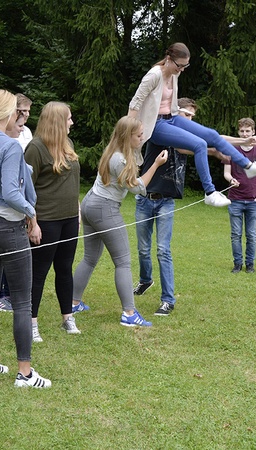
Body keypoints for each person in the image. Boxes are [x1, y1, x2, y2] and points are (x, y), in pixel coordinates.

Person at [0, 89, 51, 388]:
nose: (20, 117)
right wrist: (32, 214)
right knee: (22, 301)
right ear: (8, 113)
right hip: (6, 227)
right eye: (17, 111)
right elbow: (10, 193)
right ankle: (25, 373)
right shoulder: (11, 145)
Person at [127, 42, 256, 207]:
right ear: (168, 58)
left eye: (185, 66)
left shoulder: (174, 74)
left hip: (171, 117)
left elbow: (170, 103)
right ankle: (210, 193)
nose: (181, 69)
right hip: (155, 124)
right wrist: (129, 131)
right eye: (179, 65)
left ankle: (248, 166)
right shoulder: (154, 75)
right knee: (200, 144)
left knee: (212, 135)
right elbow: (135, 103)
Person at [133, 97, 241, 317]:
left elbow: (203, 142)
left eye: (193, 117)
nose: (190, 120)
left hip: (166, 201)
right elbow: (186, 147)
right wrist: (224, 147)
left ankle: (167, 300)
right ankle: (146, 280)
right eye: (187, 115)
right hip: (145, 199)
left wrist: (235, 144)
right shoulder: (159, 130)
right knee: (144, 249)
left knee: (163, 250)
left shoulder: (185, 137)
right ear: (175, 112)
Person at [72, 116, 168, 328]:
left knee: (89, 258)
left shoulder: (115, 150)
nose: (143, 138)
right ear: (127, 136)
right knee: (123, 262)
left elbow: (136, 162)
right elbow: (137, 187)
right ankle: (129, 313)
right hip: (104, 208)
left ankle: (73, 302)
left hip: (91, 203)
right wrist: (156, 164)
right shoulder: (119, 160)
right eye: (139, 135)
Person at [24, 101, 81, 341]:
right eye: (68, 118)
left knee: (65, 269)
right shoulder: (35, 148)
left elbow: (73, 182)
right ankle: (31, 322)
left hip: (69, 219)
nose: (72, 122)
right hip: (45, 220)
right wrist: (32, 223)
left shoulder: (68, 144)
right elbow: (25, 188)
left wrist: (77, 208)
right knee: (38, 272)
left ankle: (67, 318)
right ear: (57, 121)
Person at [0, 94, 35, 313]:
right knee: (3, 244)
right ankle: (0, 294)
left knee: (18, 244)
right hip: (7, 193)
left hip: (22, 189)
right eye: (22, 110)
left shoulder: (26, 133)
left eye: (28, 111)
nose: (26, 115)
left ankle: (11, 293)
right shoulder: (3, 134)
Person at [223, 118, 256, 273]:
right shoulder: (231, 149)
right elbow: (226, 173)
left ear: (253, 132)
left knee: (251, 235)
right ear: (238, 132)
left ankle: (250, 265)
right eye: (242, 131)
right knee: (235, 234)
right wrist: (231, 179)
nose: (244, 134)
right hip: (235, 199)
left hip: (253, 201)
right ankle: (237, 264)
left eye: (247, 131)